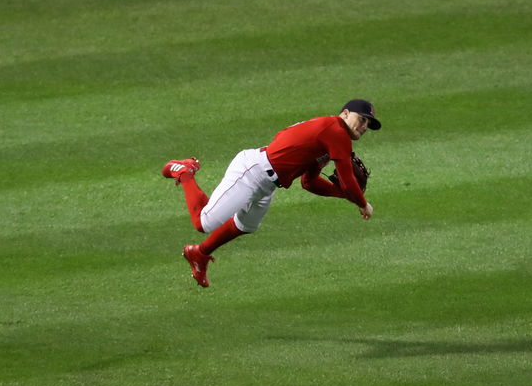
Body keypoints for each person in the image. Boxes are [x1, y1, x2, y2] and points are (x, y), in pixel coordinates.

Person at [161, 99, 380, 287]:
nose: (364, 126)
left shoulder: (328, 137)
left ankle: (199, 253)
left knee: (246, 225)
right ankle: (184, 172)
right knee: (203, 222)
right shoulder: (336, 131)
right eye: (362, 119)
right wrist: (362, 203)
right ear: (345, 113)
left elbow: (309, 182)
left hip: (266, 183)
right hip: (251, 172)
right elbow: (348, 181)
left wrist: (343, 194)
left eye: (368, 124)